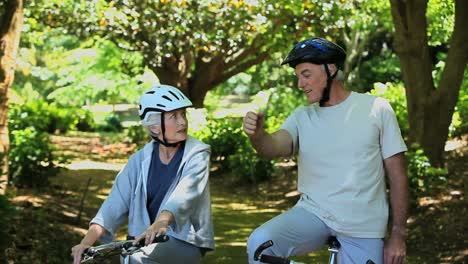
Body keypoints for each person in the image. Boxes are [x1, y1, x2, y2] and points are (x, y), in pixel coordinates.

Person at [243, 38, 408, 264]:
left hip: (363, 227)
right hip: (313, 215)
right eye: (298, 76)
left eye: (306, 74)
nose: (300, 84)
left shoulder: (376, 108)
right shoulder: (302, 116)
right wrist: (258, 136)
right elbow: (273, 146)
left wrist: (398, 235)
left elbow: (398, 176)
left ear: (330, 69)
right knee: (261, 244)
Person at [71, 84, 214, 264]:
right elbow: (112, 206)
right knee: (122, 257)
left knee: (134, 258)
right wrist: (85, 243)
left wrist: (162, 221)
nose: (183, 122)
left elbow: (185, 194)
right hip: (141, 243)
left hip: (184, 240)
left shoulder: (197, 153)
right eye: (174, 116)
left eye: (183, 114)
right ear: (154, 127)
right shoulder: (138, 161)